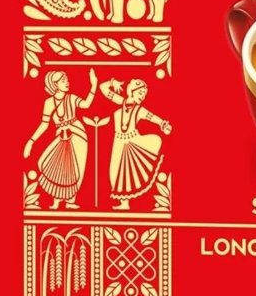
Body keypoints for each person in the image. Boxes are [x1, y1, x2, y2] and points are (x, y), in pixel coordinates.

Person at [24, 69, 98, 209]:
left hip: (77, 134)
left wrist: (94, 85)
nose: (67, 83)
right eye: (63, 81)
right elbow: (44, 124)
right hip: (61, 135)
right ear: (55, 84)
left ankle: (70, 201)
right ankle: (56, 201)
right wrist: (31, 142)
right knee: (50, 163)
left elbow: (86, 105)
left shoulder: (72, 98)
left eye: (67, 80)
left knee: (75, 169)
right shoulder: (48, 102)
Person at [99, 77, 172, 210]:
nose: (143, 97)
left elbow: (152, 117)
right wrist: (113, 83)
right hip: (118, 142)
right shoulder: (120, 101)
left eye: (144, 94)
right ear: (132, 91)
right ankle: (123, 203)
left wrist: (163, 124)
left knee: (129, 172)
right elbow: (103, 88)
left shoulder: (139, 110)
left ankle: (125, 204)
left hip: (132, 141)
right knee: (114, 172)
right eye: (140, 93)